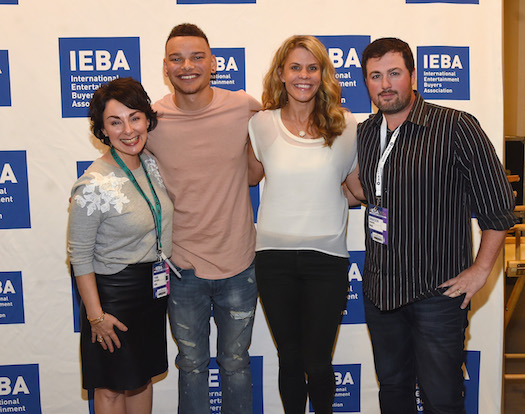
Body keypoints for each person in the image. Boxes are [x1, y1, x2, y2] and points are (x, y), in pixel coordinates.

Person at [351, 37, 517, 413]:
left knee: (441, 398)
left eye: (394, 73)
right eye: (375, 76)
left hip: (437, 292)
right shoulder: (365, 133)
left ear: (412, 75)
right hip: (381, 291)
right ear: (366, 82)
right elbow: (366, 193)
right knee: (393, 391)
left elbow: (499, 208)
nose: (385, 84)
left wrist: (480, 271)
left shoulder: (456, 126)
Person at [145, 23, 261, 414]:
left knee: (236, 364)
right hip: (182, 270)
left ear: (213, 63)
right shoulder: (152, 119)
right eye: (176, 59)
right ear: (165, 67)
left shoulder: (242, 105)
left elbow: (289, 123)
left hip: (239, 264)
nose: (187, 66)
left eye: (197, 57)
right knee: (191, 366)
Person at [248, 35, 361, 414]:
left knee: (318, 360)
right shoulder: (260, 125)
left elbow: (357, 190)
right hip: (273, 259)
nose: (304, 75)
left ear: (323, 74)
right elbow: (247, 177)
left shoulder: (347, 127)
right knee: (289, 358)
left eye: (313, 67)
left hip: (326, 259)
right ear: (281, 73)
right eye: (295, 67)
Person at [67, 77, 173, 414]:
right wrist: (96, 317)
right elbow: (79, 256)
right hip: (113, 298)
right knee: (112, 388)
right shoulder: (93, 184)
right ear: (102, 129)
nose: (128, 130)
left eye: (134, 117)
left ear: (146, 119)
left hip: (151, 293)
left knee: (141, 379)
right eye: (115, 121)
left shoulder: (151, 166)